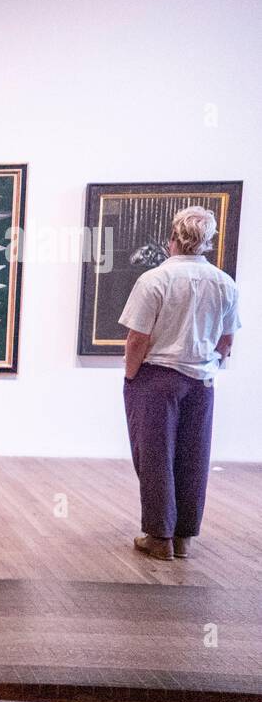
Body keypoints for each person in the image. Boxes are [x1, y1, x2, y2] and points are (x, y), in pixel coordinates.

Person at [120, 205, 240, 561]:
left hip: (157, 378)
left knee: (155, 456)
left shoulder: (155, 280)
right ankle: (184, 537)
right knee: (193, 456)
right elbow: (227, 341)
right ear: (207, 242)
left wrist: (131, 376)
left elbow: (137, 339)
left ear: (172, 238)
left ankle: (159, 537)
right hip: (201, 382)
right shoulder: (224, 283)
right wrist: (210, 364)